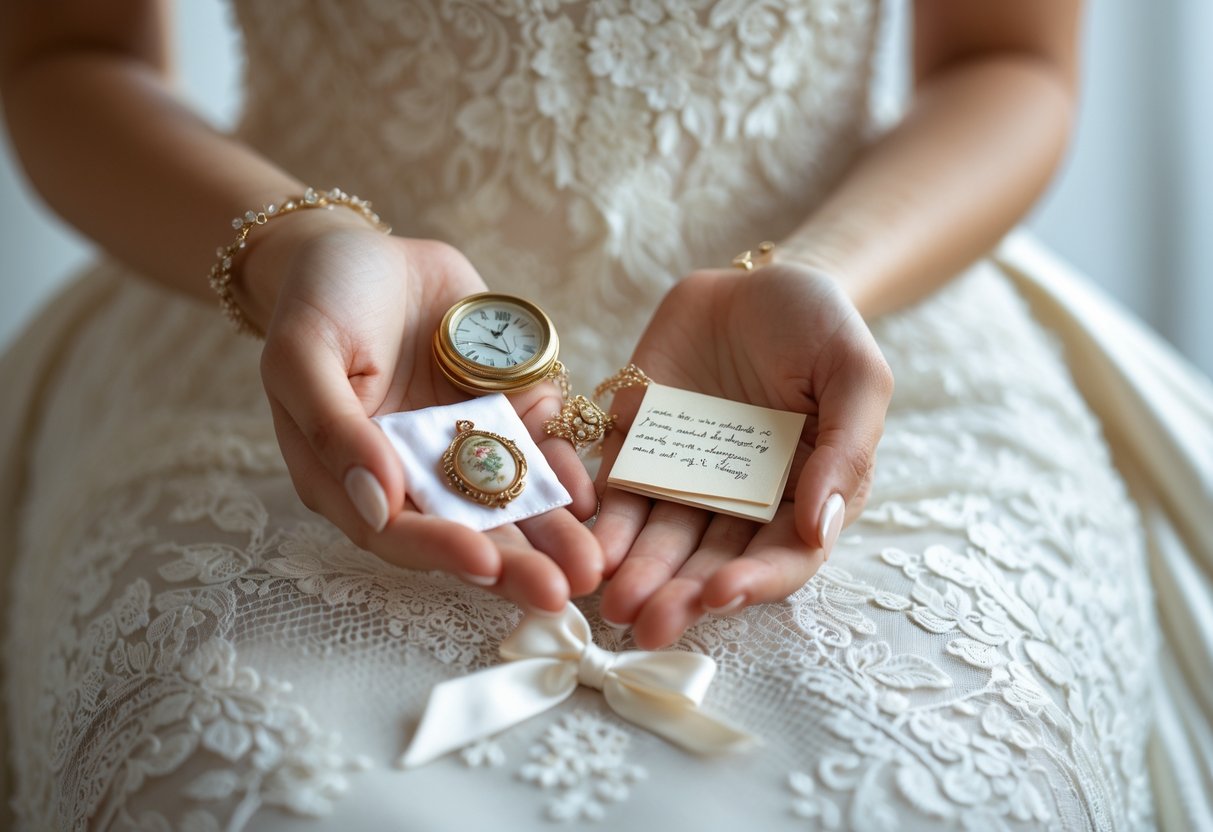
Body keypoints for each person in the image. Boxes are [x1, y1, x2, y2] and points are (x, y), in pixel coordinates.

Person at [1, 1, 1206, 829]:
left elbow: (1009, 58)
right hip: (307, 344)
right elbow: (68, 53)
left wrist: (823, 270)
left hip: (852, 316)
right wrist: (296, 251)